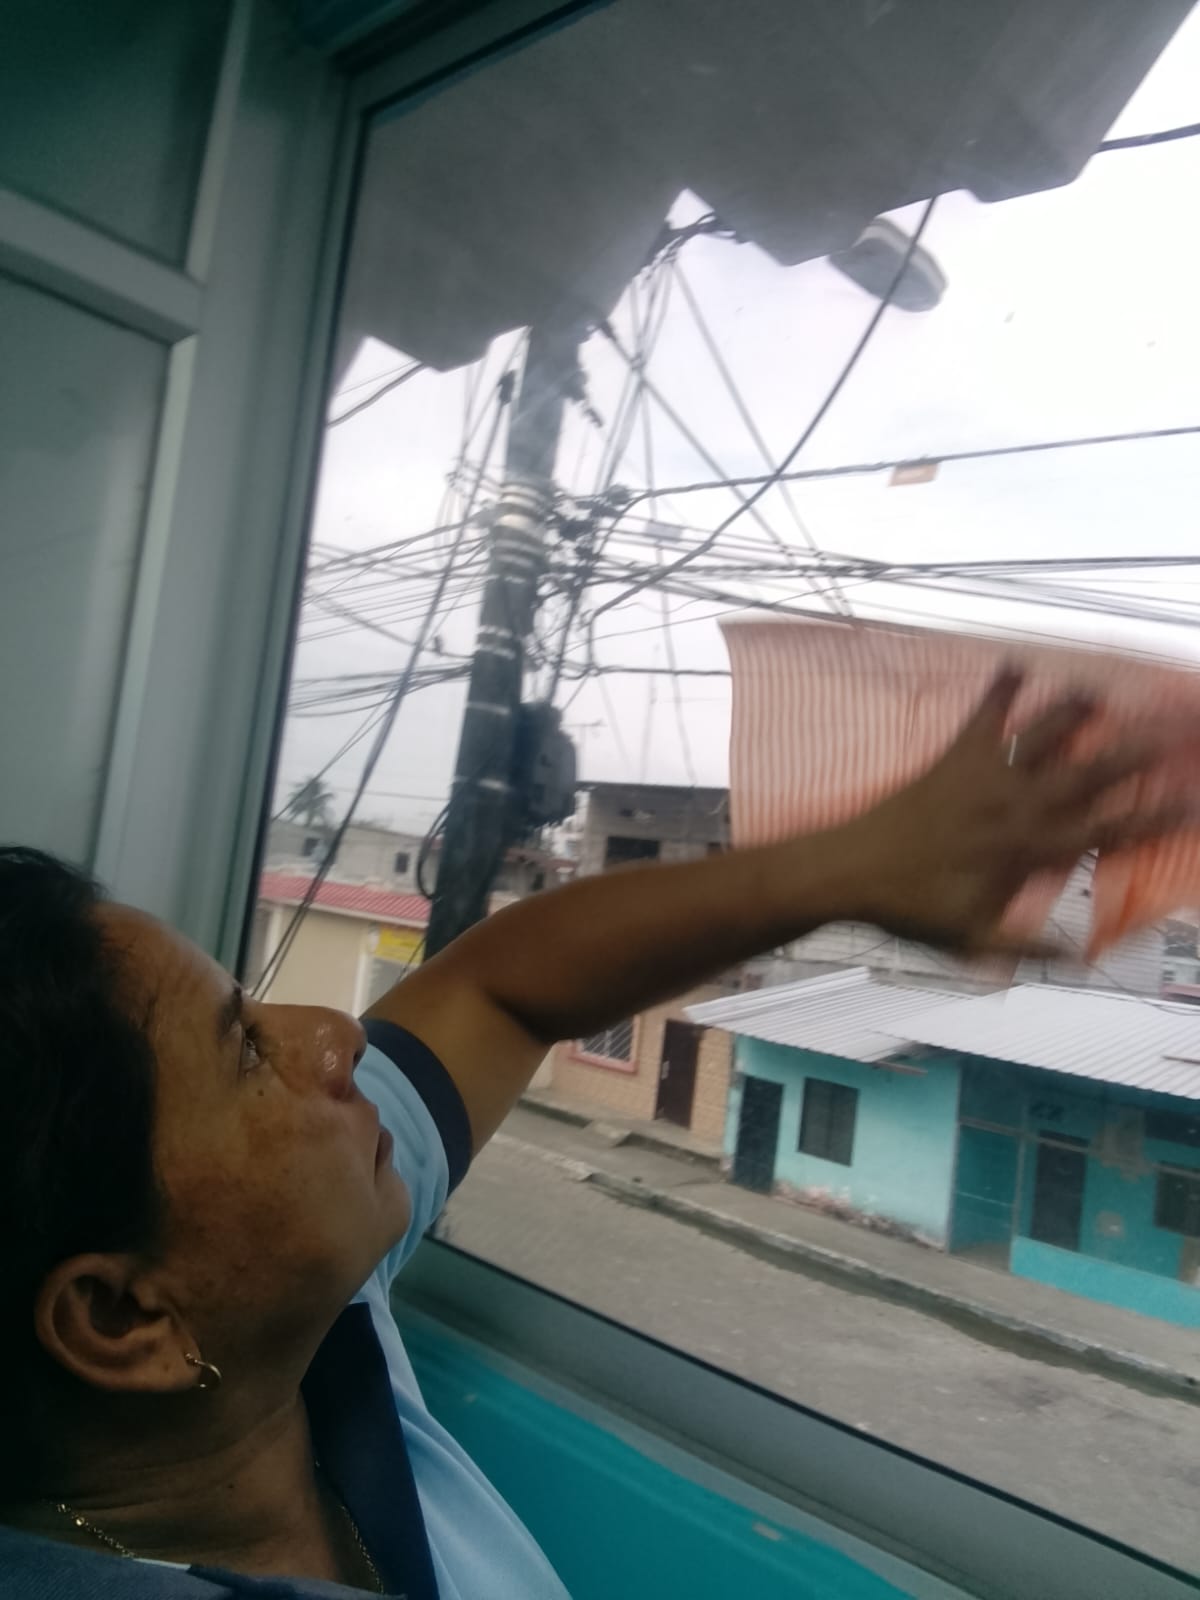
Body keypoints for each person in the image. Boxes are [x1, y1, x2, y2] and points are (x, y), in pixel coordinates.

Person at [0, 674, 1185, 1598]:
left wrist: (848, 870)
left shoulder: (288, 1318)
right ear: (123, 1318)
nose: (334, 1034)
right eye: (246, 1053)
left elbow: (499, 989)